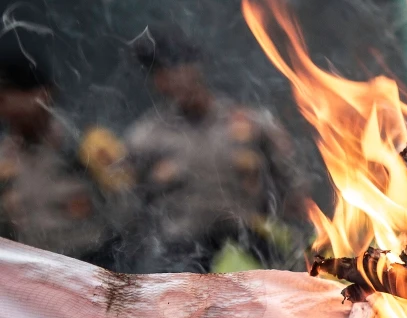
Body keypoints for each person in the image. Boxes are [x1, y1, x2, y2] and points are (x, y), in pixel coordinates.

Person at [122, 27, 308, 273]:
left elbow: (291, 182)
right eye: (162, 74)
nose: (175, 80)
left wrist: (293, 219)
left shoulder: (250, 123)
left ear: (196, 67)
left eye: (179, 68)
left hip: (249, 238)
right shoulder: (145, 139)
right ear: (157, 83)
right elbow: (129, 204)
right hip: (182, 251)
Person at [0, 28, 122, 262]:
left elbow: (128, 214)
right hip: (34, 275)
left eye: (6, 98)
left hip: (90, 268)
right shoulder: (5, 160)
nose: (3, 109)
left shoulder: (86, 144)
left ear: (43, 94)